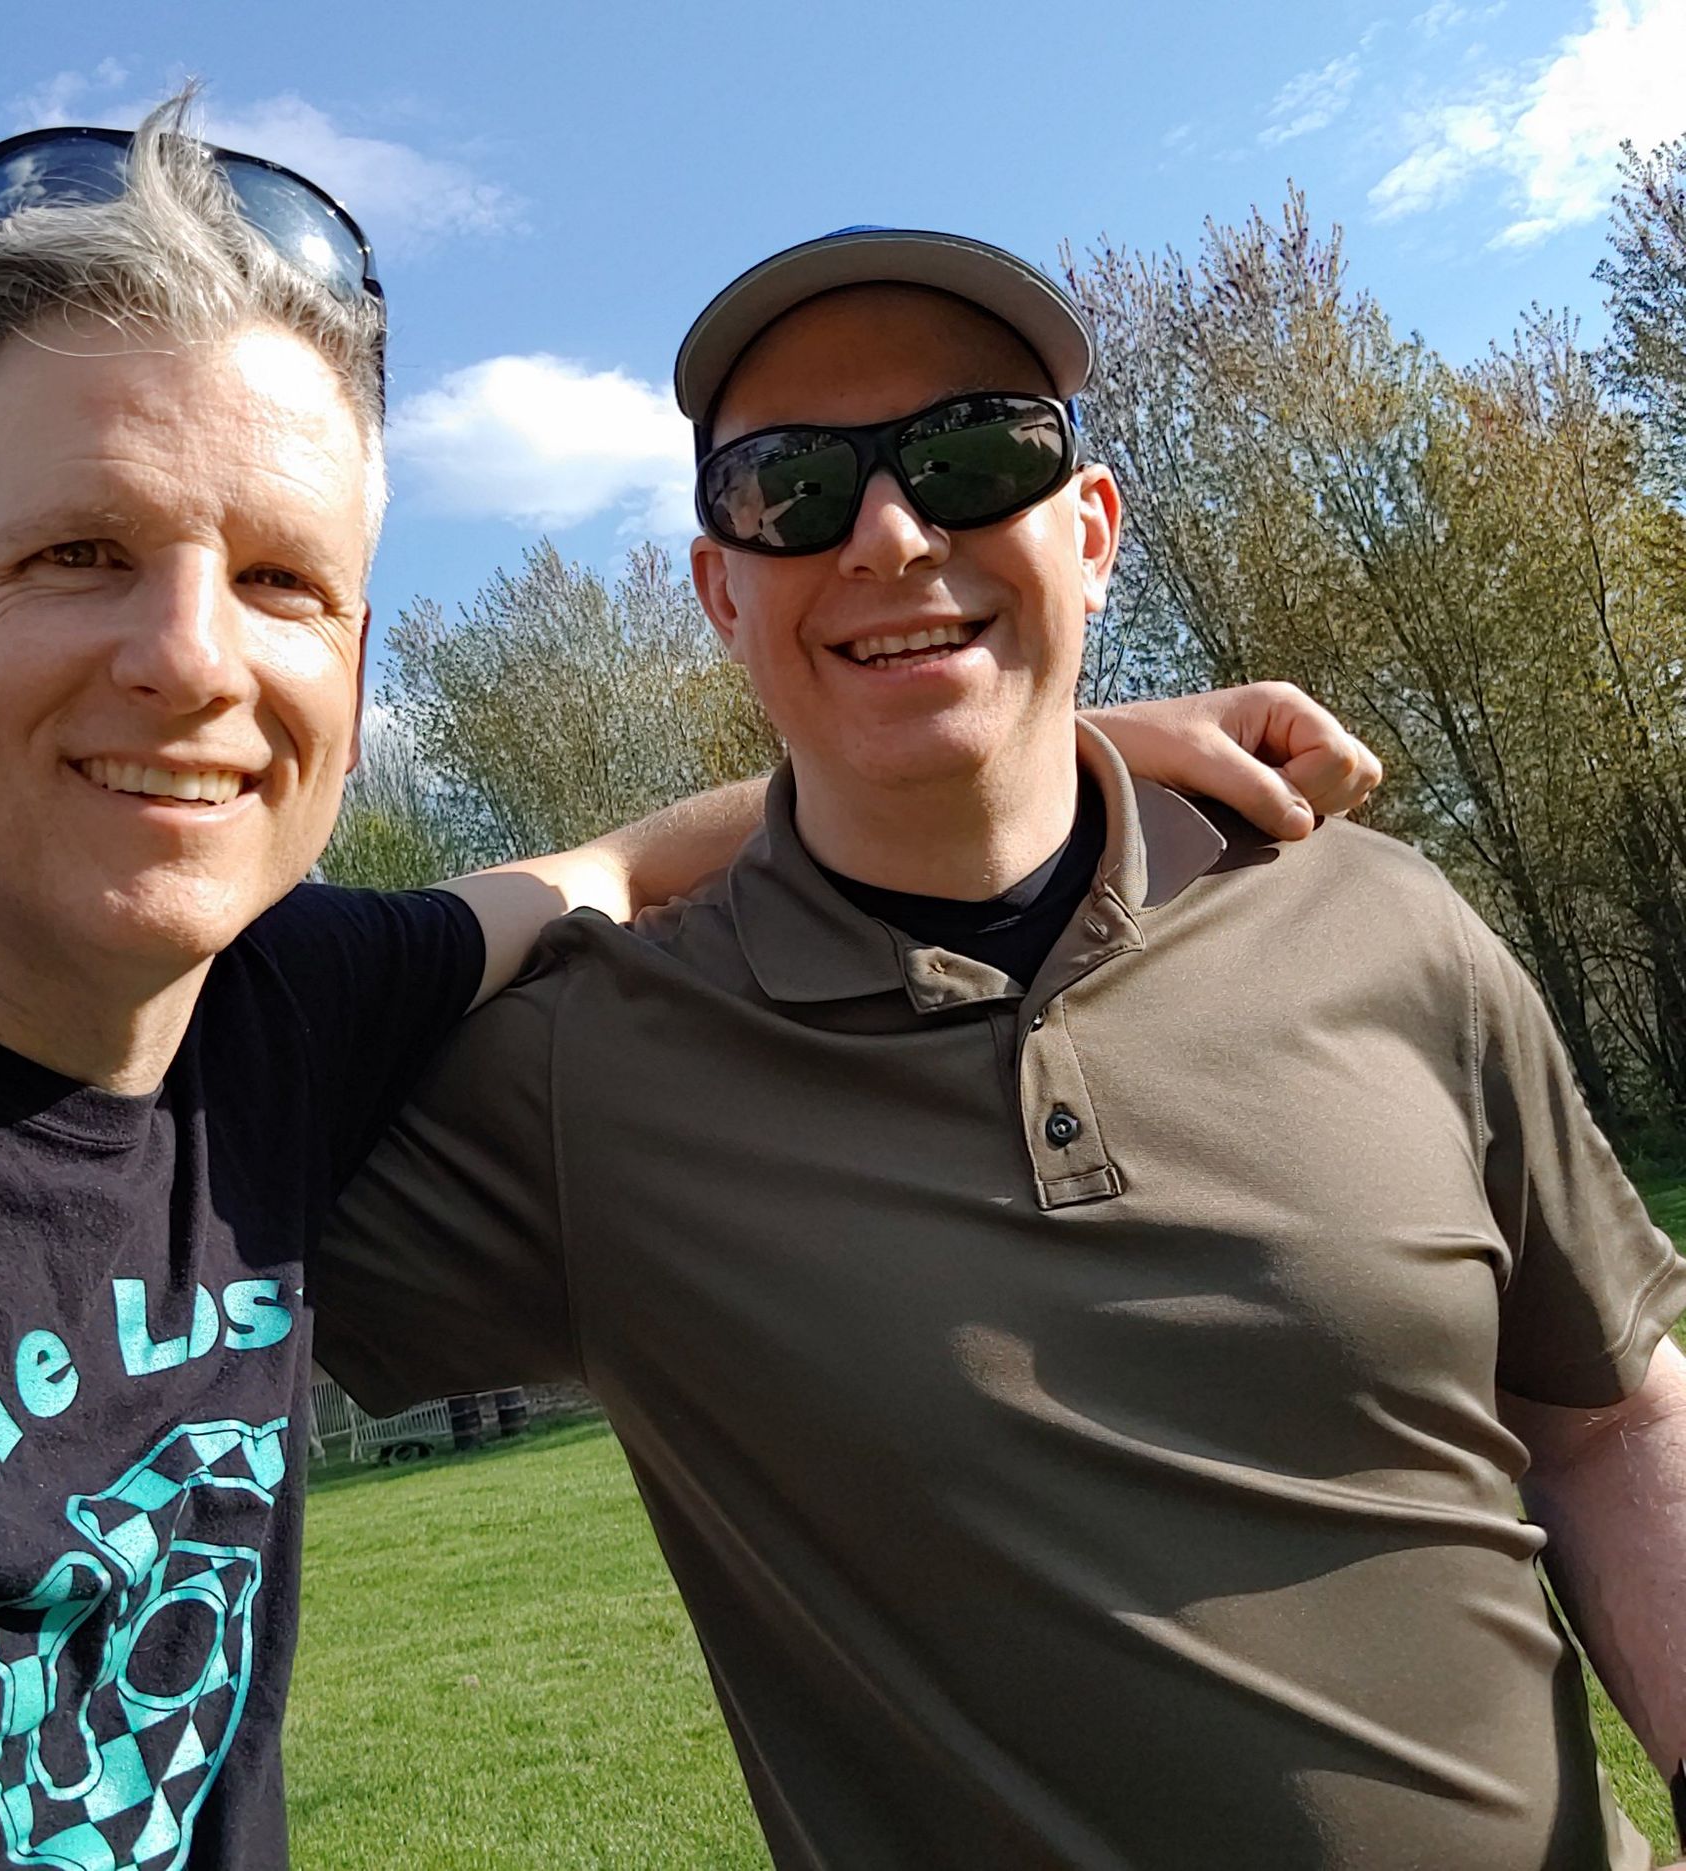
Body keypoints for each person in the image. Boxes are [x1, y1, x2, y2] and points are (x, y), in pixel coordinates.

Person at [0, 108, 1372, 1870]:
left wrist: (1034, 737)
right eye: (78, 554)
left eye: (279, 581)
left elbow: (618, 868)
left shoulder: (291, 1009)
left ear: (351, 676)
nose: (191, 658)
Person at [318, 229, 1686, 1870]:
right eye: (790, 489)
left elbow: (1613, 1422)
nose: (893, 533)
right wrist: (613, 863)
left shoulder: (1386, 918)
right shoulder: (582, 1074)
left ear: (1091, 533)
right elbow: (186, 1041)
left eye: (974, 458)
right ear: (722, 593)